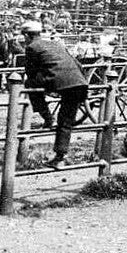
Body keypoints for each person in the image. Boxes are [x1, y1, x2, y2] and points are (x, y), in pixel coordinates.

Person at [21, 20, 88, 168]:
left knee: (29, 84)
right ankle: (60, 158)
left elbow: (30, 72)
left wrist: (40, 81)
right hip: (79, 82)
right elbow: (77, 63)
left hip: (60, 82)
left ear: (27, 35)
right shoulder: (56, 43)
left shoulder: (32, 47)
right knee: (66, 121)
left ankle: (47, 116)